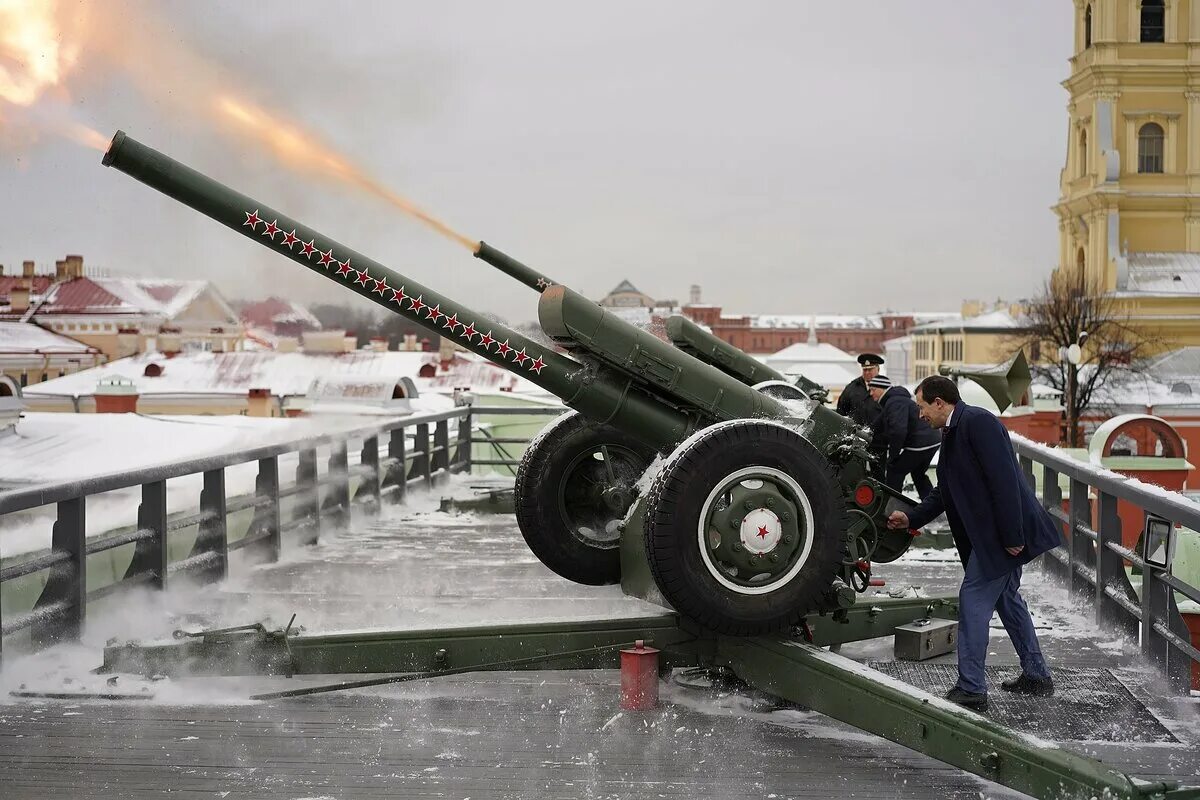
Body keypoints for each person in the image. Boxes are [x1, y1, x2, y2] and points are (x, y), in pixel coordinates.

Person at [886, 375, 1060, 712]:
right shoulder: (951, 430)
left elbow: (1005, 481)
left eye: (922, 408)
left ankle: (971, 688)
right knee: (1007, 600)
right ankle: (1037, 675)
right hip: (993, 535)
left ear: (940, 403)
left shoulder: (979, 423)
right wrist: (913, 517)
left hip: (1002, 536)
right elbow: (945, 489)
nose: (920, 416)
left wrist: (1012, 538)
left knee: (973, 599)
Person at [867, 375, 939, 499]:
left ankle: (891, 506)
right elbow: (879, 423)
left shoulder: (894, 402)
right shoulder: (895, 400)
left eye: (873, 389)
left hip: (919, 442)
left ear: (882, 388)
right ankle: (931, 506)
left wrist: (893, 456)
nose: (871, 393)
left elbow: (898, 431)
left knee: (894, 471)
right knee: (918, 474)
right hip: (932, 440)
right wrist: (867, 431)